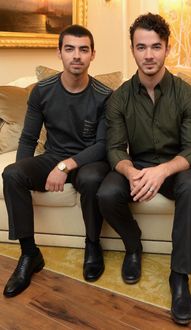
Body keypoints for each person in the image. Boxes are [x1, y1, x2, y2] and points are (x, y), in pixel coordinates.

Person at [97, 13, 191, 325]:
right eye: (141, 47)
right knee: (105, 192)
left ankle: (179, 276)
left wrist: (163, 172)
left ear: (167, 49)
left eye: (156, 47)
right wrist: (131, 172)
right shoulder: (119, 98)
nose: (149, 55)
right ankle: (133, 246)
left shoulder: (186, 94)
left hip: (176, 168)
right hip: (138, 166)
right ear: (132, 50)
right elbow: (115, 148)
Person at [2, 25, 111, 298]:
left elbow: (102, 146)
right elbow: (28, 139)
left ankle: (93, 244)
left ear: (92, 55)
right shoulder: (42, 91)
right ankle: (29, 255)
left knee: (91, 178)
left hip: (89, 160)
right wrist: (25, 174)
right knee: (12, 174)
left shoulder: (104, 95)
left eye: (83, 49)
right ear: (59, 53)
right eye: (70, 49)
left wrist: (65, 166)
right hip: (51, 155)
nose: (77, 56)